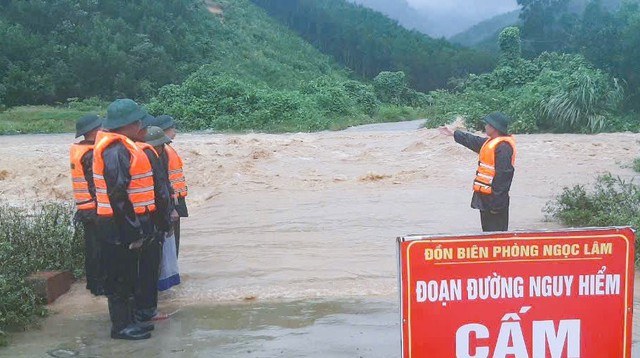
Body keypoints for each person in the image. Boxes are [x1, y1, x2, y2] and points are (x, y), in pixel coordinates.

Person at [93, 99, 156, 340]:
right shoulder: (115, 149)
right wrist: (133, 231)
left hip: (121, 222)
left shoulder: (122, 146)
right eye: (137, 120)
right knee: (120, 278)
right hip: (117, 225)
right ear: (127, 124)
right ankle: (120, 327)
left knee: (128, 276)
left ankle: (129, 321)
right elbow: (117, 193)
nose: (141, 124)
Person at [439, 112, 516, 232]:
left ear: (494, 128)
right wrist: (453, 133)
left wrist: (497, 205)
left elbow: (503, 177)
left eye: (487, 124)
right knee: (488, 234)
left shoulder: (504, 147)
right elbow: (472, 140)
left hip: (495, 200)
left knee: (496, 237)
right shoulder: (490, 143)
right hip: (485, 198)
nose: (485, 126)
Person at [133, 124, 173, 323]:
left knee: (134, 271)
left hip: (131, 223)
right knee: (149, 270)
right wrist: (165, 223)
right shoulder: (151, 157)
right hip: (150, 223)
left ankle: (134, 310)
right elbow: (161, 194)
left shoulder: (130, 153)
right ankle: (148, 311)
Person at [70, 114, 104, 296]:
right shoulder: (90, 154)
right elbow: (95, 184)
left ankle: (94, 284)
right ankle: (98, 286)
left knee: (92, 247)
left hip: (85, 208)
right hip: (94, 208)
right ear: (93, 131)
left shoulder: (79, 149)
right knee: (98, 248)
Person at [155, 115, 188, 257]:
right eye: (172, 128)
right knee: (171, 240)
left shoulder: (166, 149)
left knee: (173, 240)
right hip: (172, 199)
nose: (175, 132)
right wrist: (171, 207)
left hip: (175, 198)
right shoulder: (164, 151)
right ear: (163, 131)